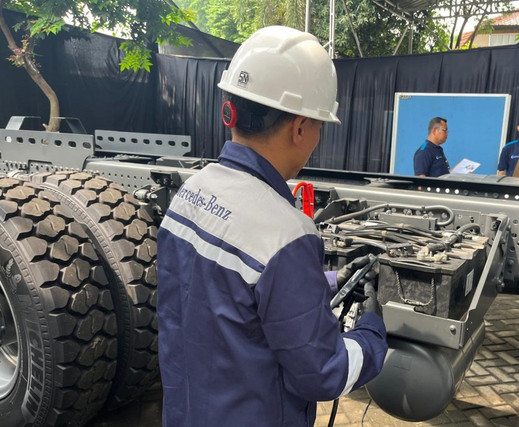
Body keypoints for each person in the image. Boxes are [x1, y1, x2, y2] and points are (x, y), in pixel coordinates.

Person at [156, 26, 388, 427]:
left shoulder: (191, 193)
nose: (316, 136)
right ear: (299, 127)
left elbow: (227, 298)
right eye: (319, 125)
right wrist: (372, 333)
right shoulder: (286, 234)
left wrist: (331, 279)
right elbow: (324, 371)